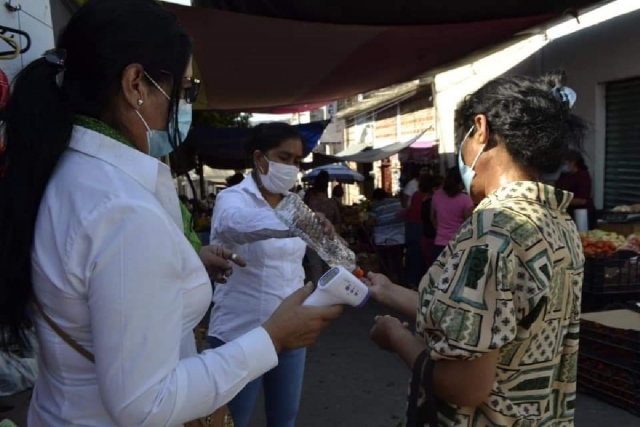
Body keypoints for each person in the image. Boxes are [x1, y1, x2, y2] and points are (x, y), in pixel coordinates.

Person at [0, 1, 342, 425]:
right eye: (184, 91)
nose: (186, 106)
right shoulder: (123, 208)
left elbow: (91, 279)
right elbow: (146, 404)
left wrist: (183, 262)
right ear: (136, 84)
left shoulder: (71, 173)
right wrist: (272, 337)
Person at [364, 71, 587, 427]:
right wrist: (388, 292)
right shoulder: (558, 223)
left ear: (480, 128)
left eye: (464, 137)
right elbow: (493, 319)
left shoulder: (492, 231)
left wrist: (396, 337)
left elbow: (464, 388)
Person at [208, 122, 339, 427]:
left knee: (284, 418)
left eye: (296, 161)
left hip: (290, 329)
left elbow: (302, 258)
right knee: (230, 420)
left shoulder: (294, 203)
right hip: (240, 332)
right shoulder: (232, 199)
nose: (292, 167)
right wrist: (294, 223)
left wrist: (324, 233)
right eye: (284, 157)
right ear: (260, 158)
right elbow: (238, 223)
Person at [305, 170, 342, 284]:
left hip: (312, 240)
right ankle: (327, 298)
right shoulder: (331, 203)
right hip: (329, 240)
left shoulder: (308, 201)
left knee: (316, 270)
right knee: (328, 272)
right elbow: (338, 221)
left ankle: (318, 298)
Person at [431, 167, 475, 258]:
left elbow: (432, 217)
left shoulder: (437, 195)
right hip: (459, 244)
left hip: (439, 243)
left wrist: (440, 231)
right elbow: (470, 224)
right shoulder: (466, 200)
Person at [369, 188, 405, 284]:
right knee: (398, 263)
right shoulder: (397, 203)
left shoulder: (376, 206)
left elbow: (371, 222)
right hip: (399, 238)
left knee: (384, 264)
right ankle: (401, 282)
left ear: (376, 198)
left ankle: (386, 284)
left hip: (382, 240)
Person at [556, 149, 596, 229]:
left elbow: (582, 200)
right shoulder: (564, 175)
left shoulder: (582, 176)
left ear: (573, 162)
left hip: (581, 214)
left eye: (564, 163)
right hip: (565, 214)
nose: (562, 166)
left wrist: (561, 200)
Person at [419, 174, 442, 269]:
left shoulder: (424, 201)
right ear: (435, 189)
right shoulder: (433, 202)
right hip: (434, 239)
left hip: (427, 237)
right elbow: (433, 219)